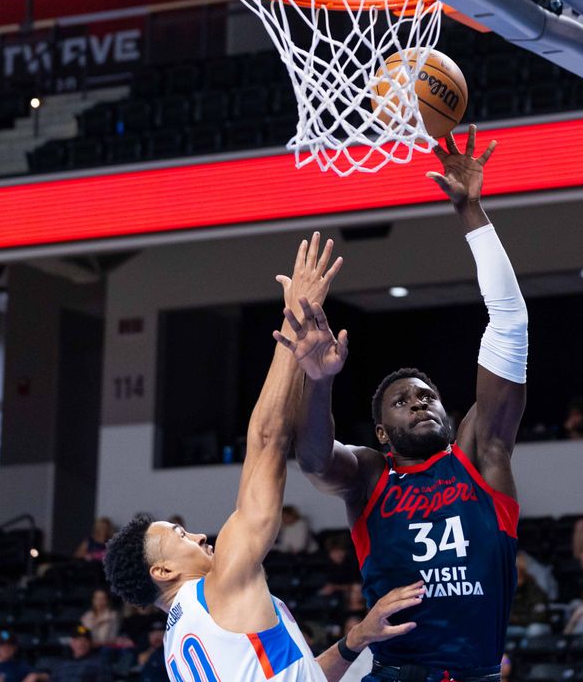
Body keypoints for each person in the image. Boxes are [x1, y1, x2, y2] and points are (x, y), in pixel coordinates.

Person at [102, 233, 427, 682]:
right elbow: (268, 438)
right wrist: (295, 320)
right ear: (163, 570)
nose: (198, 535)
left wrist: (356, 640)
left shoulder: (178, 650)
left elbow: (295, 675)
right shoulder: (222, 585)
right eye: (179, 535)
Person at [286, 127, 527, 682]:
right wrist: (318, 380)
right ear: (383, 434)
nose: (420, 401)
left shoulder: (480, 454)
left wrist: (473, 213)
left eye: (428, 395)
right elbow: (316, 462)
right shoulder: (371, 475)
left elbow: (510, 324)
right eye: (402, 401)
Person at [26, 627, 109, 682]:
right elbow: (53, 677)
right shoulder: (62, 663)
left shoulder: (98, 663)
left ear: (90, 643)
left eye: (85, 641)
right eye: (77, 640)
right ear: (72, 643)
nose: (81, 644)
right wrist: (36, 676)